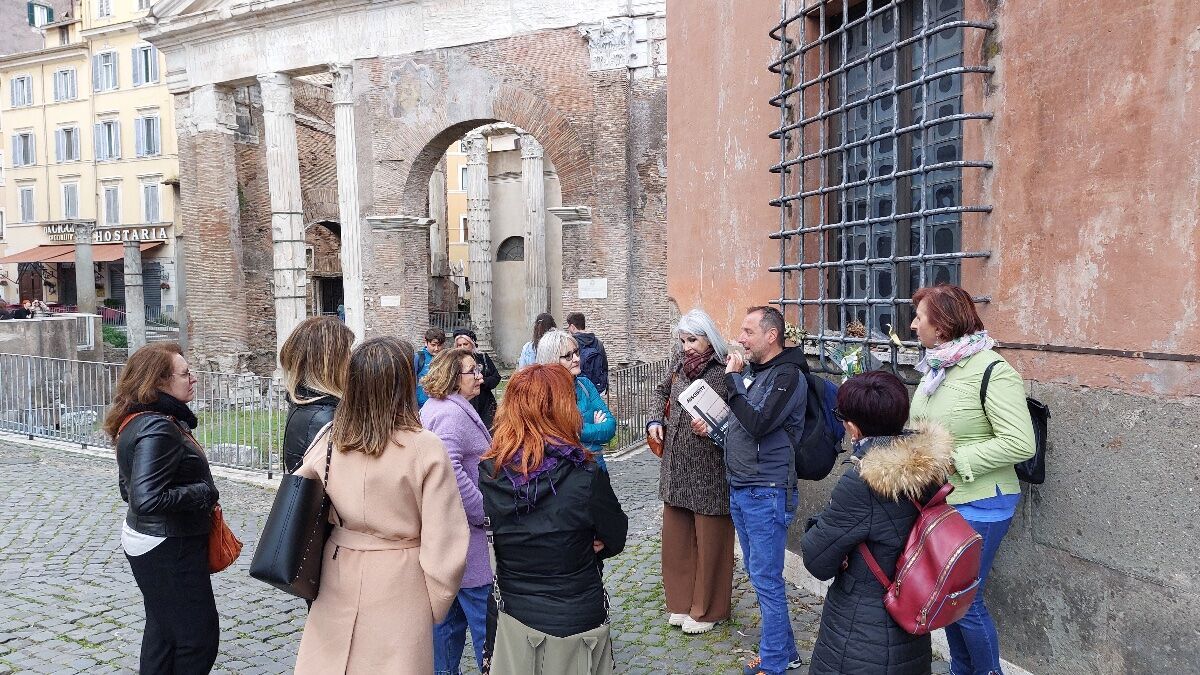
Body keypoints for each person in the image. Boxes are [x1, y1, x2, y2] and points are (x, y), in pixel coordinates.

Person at [292, 336, 470, 674]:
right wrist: (433, 603)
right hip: (401, 581)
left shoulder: (330, 439)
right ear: (402, 383)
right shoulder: (424, 447)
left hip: (339, 571)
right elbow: (445, 540)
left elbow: (299, 502)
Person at [907, 284, 1035, 675]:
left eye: (919, 317)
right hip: (943, 500)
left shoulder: (993, 371)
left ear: (942, 327)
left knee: (965, 598)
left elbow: (1020, 442)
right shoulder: (936, 368)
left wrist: (952, 460)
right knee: (952, 597)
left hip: (982, 500)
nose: (912, 325)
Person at [801, 371, 955, 675]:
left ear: (854, 428)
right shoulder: (929, 466)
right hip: (909, 615)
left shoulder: (862, 482)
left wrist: (816, 524)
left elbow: (817, 560)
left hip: (861, 629)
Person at [479, 364, 628, 674]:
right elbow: (614, 536)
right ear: (562, 410)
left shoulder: (492, 473)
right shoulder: (586, 475)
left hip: (516, 609)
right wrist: (588, 540)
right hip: (574, 613)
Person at [104, 342, 220, 674]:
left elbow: (129, 487)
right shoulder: (157, 428)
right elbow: (145, 498)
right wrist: (203, 492)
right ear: (159, 382)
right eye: (185, 373)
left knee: (163, 631)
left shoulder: (142, 419)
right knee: (197, 638)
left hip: (151, 539)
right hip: (169, 544)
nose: (193, 378)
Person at [723, 305, 809, 675]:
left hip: (767, 490)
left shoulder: (787, 375)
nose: (740, 338)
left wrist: (732, 383)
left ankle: (773, 663)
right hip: (743, 486)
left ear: (770, 336)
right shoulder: (759, 374)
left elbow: (758, 424)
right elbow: (744, 425)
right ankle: (784, 651)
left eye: (748, 331)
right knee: (759, 574)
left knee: (767, 578)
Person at [645, 309, 735, 635]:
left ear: (708, 338)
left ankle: (710, 609)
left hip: (709, 468)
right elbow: (659, 391)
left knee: (711, 541)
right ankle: (682, 603)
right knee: (678, 540)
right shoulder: (678, 363)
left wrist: (712, 427)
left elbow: (740, 419)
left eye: (693, 339)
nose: (686, 346)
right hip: (675, 465)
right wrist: (655, 420)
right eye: (683, 339)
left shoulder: (727, 370)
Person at [419, 347, 494, 675]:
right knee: (483, 625)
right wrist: (482, 510)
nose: (479, 376)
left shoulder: (440, 407)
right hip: (465, 539)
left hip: (449, 541)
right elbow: (449, 469)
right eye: (471, 371)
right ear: (452, 377)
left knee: (447, 624)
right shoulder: (449, 414)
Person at [279, 316, 354, 473]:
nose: (352, 359)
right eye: (348, 352)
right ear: (332, 364)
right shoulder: (329, 419)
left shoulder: (304, 404)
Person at [535, 328, 616, 470]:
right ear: (552, 359)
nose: (577, 359)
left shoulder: (585, 385)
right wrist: (595, 428)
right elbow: (559, 434)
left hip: (596, 465)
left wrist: (579, 431)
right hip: (564, 470)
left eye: (576, 352)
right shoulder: (543, 394)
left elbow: (610, 427)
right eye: (568, 356)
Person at [451, 329, 502, 429]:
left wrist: (481, 382)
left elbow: (496, 377)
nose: (462, 347)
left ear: (472, 344)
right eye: (459, 345)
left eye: (465, 344)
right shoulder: (453, 362)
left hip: (485, 401)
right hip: (464, 400)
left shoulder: (482, 357)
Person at [565, 312, 610, 394]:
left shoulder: (571, 343)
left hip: (578, 387)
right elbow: (604, 366)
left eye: (568, 326)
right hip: (597, 387)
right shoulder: (598, 343)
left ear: (572, 327)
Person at [415, 327, 446, 407]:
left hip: (440, 404)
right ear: (426, 342)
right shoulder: (418, 358)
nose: (436, 349)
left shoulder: (445, 358)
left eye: (439, 345)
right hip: (421, 405)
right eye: (433, 345)